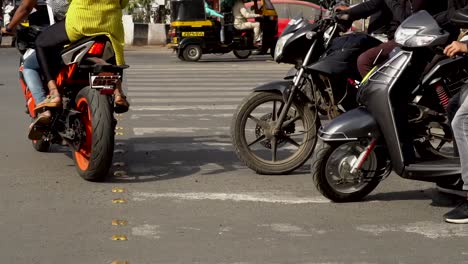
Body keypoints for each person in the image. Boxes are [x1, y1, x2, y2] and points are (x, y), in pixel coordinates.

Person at [34, 0, 130, 115]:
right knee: (112, 52)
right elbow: (123, 3)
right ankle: (118, 92)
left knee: (40, 43)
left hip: (80, 23)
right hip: (110, 24)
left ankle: (54, 92)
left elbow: (63, 3)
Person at [1, 0, 69, 139]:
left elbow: (25, 7)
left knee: (30, 65)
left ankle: (43, 108)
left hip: (66, 38)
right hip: (93, 34)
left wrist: (9, 28)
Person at [337, 0, 446, 77]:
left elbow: (409, 19)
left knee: (365, 61)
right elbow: (371, 4)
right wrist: (348, 14)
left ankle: (377, 105)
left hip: (417, 39)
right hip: (398, 36)